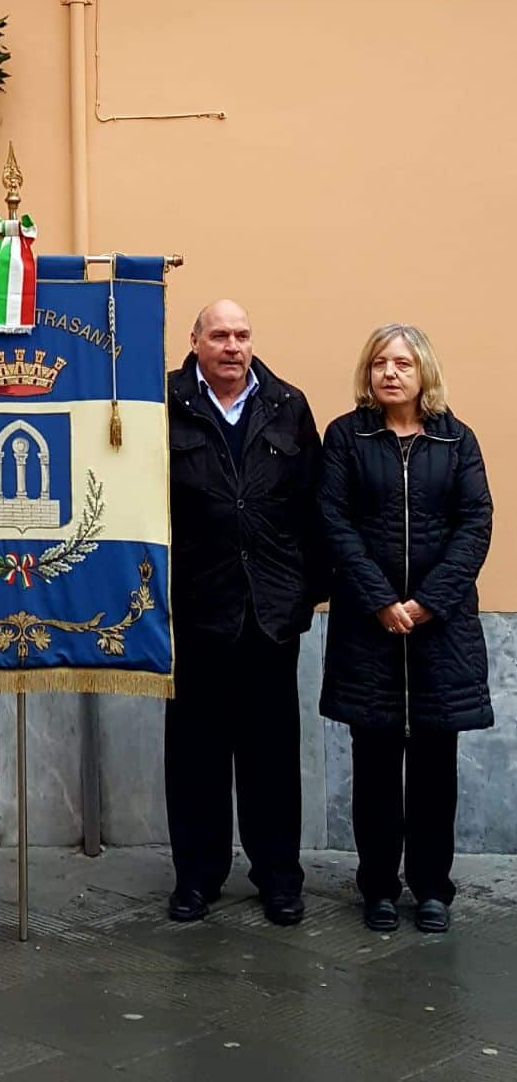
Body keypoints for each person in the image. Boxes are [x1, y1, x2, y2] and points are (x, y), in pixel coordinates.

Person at [319, 323, 492, 934]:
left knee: (434, 768)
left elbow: (476, 525)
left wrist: (426, 603)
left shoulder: (456, 440)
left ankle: (432, 887)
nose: (390, 373)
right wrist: (381, 601)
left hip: (440, 633)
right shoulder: (346, 437)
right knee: (374, 766)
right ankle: (378, 889)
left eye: (403, 363)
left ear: (424, 373)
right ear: (367, 374)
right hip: (370, 632)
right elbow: (334, 522)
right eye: (380, 363)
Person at [166, 299, 325, 925]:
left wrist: (305, 594)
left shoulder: (288, 406)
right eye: (220, 335)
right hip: (197, 607)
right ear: (196, 341)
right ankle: (196, 877)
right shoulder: (165, 405)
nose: (233, 346)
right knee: (195, 753)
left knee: (272, 754)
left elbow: (313, 509)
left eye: (242, 335)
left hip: (269, 612)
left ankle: (279, 877)